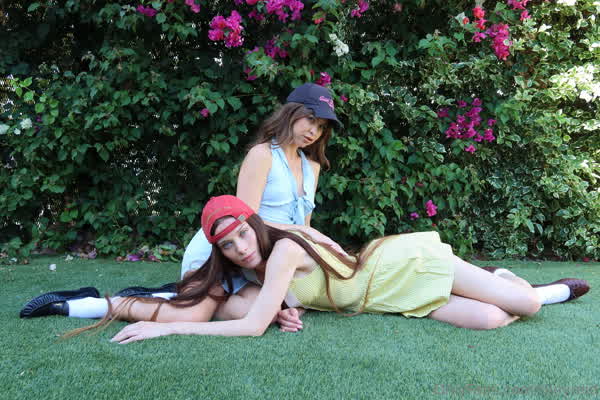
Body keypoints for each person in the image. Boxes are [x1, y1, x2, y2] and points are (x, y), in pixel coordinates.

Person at [20, 195, 590, 343]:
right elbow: (205, 305)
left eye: (243, 233)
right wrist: (284, 309)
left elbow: (249, 326)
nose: (240, 247)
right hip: (383, 300)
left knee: (526, 305)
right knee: (489, 321)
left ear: (254, 225)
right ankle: (81, 303)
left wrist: (165, 332)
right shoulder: (250, 274)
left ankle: (523, 284)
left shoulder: (284, 250)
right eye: (228, 244)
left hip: (404, 266)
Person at [170, 83, 346, 320]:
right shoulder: (262, 155)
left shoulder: (312, 167)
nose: (314, 131)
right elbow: (243, 221)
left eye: (322, 127)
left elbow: (303, 227)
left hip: (262, 258)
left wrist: (311, 240)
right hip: (228, 249)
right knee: (199, 310)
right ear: (291, 113)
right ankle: (176, 296)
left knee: (272, 310)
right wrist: (305, 232)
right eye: (311, 119)